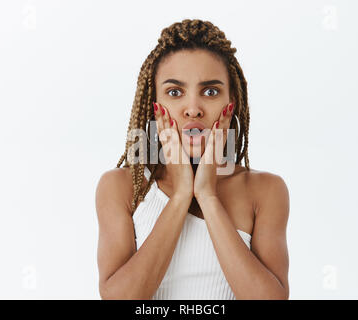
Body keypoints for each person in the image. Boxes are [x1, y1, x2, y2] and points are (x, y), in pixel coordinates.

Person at [95, 19, 290, 300]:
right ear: (154, 102)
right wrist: (181, 195)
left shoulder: (265, 190)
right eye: (175, 92)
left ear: (231, 100)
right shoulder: (122, 187)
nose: (193, 109)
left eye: (210, 92)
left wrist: (207, 195)